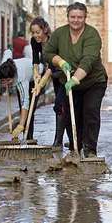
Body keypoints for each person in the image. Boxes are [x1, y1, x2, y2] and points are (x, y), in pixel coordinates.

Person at [45, 2, 108, 158]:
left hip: (93, 81)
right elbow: (47, 52)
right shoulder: (59, 34)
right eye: (72, 17)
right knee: (71, 115)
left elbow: (89, 60)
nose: (76, 20)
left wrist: (75, 79)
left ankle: (90, 149)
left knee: (90, 112)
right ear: (67, 17)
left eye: (80, 17)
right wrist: (59, 61)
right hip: (67, 82)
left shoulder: (92, 34)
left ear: (85, 18)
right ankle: (75, 146)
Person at [29, 16, 73, 148]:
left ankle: (59, 142)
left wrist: (41, 84)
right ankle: (72, 141)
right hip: (54, 75)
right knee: (63, 108)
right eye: (33, 32)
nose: (36, 35)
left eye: (38, 32)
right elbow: (36, 59)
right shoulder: (34, 42)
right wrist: (36, 73)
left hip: (64, 74)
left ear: (45, 30)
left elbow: (51, 67)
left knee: (60, 106)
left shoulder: (54, 41)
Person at [0, 56, 35, 139]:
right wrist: (8, 82)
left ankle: (28, 138)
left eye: (8, 81)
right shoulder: (4, 66)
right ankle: (22, 132)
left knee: (29, 109)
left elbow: (25, 102)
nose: (6, 84)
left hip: (36, 76)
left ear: (13, 77)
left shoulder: (21, 78)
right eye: (3, 81)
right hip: (23, 72)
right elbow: (8, 51)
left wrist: (21, 125)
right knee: (22, 108)